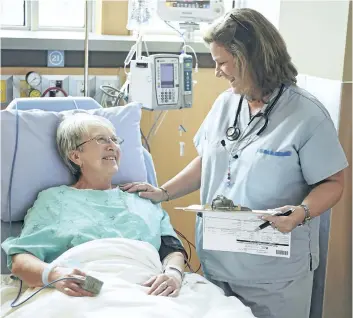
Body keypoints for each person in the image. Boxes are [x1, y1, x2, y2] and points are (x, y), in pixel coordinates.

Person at [119, 8, 348, 318]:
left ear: (252, 58)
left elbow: (333, 183)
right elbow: (209, 160)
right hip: (219, 264)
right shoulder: (226, 103)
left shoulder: (306, 116)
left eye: (222, 62)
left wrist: (301, 212)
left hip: (274, 276)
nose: (217, 72)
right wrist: (164, 192)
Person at [2, 113, 187, 298]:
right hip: (85, 290)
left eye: (114, 140)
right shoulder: (54, 200)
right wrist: (55, 275)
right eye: (101, 139)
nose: (112, 146)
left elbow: (171, 249)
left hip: (150, 289)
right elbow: (21, 259)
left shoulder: (143, 196)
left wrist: (173, 274)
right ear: (75, 155)